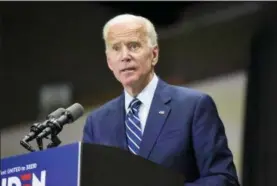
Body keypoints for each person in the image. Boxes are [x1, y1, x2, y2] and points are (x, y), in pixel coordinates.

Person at [82, 13, 239, 185]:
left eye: (133, 46)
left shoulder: (194, 107)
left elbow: (223, 179)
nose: (124, 56)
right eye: (116, 48)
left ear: (154, 54)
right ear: (109, 61)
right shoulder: (96, 123)